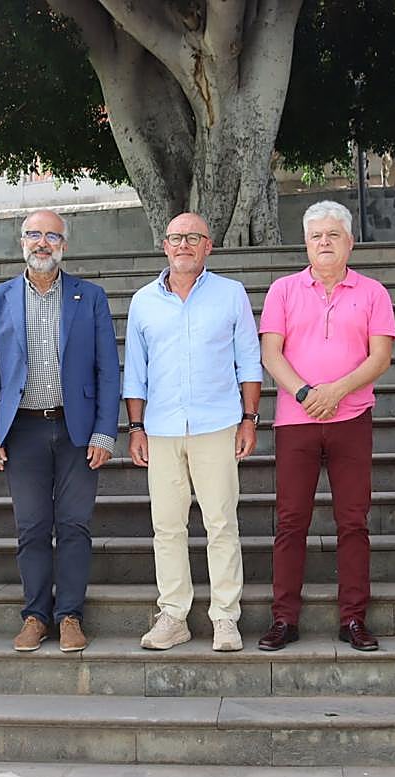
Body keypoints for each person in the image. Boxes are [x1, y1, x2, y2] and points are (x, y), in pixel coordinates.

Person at [0, 210, 120, 652]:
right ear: (21, 242)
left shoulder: (89, 296)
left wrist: (104, 432)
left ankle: (70, 615)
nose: (42, 242)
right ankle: (36, 615)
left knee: (74, 524)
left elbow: (107, 370)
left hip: (77, 431)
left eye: (51, 236)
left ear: (64, 245)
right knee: (32, 527)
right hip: (22, 431)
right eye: (34, 235)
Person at [257, 201, 395, 652]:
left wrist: (336, 391)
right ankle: (284, 619)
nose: (324, 243)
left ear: (350, 242)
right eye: (317, 235)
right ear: (305, 243)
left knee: (353, 521)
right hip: (296, 421)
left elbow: (380, 358)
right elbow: (271, 354)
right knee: (290, 521)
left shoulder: (373, 292)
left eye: (333, 235)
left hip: (352, 419)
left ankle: (353, 619)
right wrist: (304, 393)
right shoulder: (282, 290)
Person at [123, 212, 263, 652]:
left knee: (221, 523)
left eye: (193, 237)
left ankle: (225, 617)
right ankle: (174, 616)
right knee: (166, 526)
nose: (183, 244)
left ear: (208, 246)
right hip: (161, 428)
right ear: (164, 245)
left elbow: (249, 360)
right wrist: (136, 427)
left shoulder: (231, 294)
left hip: (217, 424)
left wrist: (249, 418)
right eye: (176, 237)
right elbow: (136, 372)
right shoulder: (143, 301)